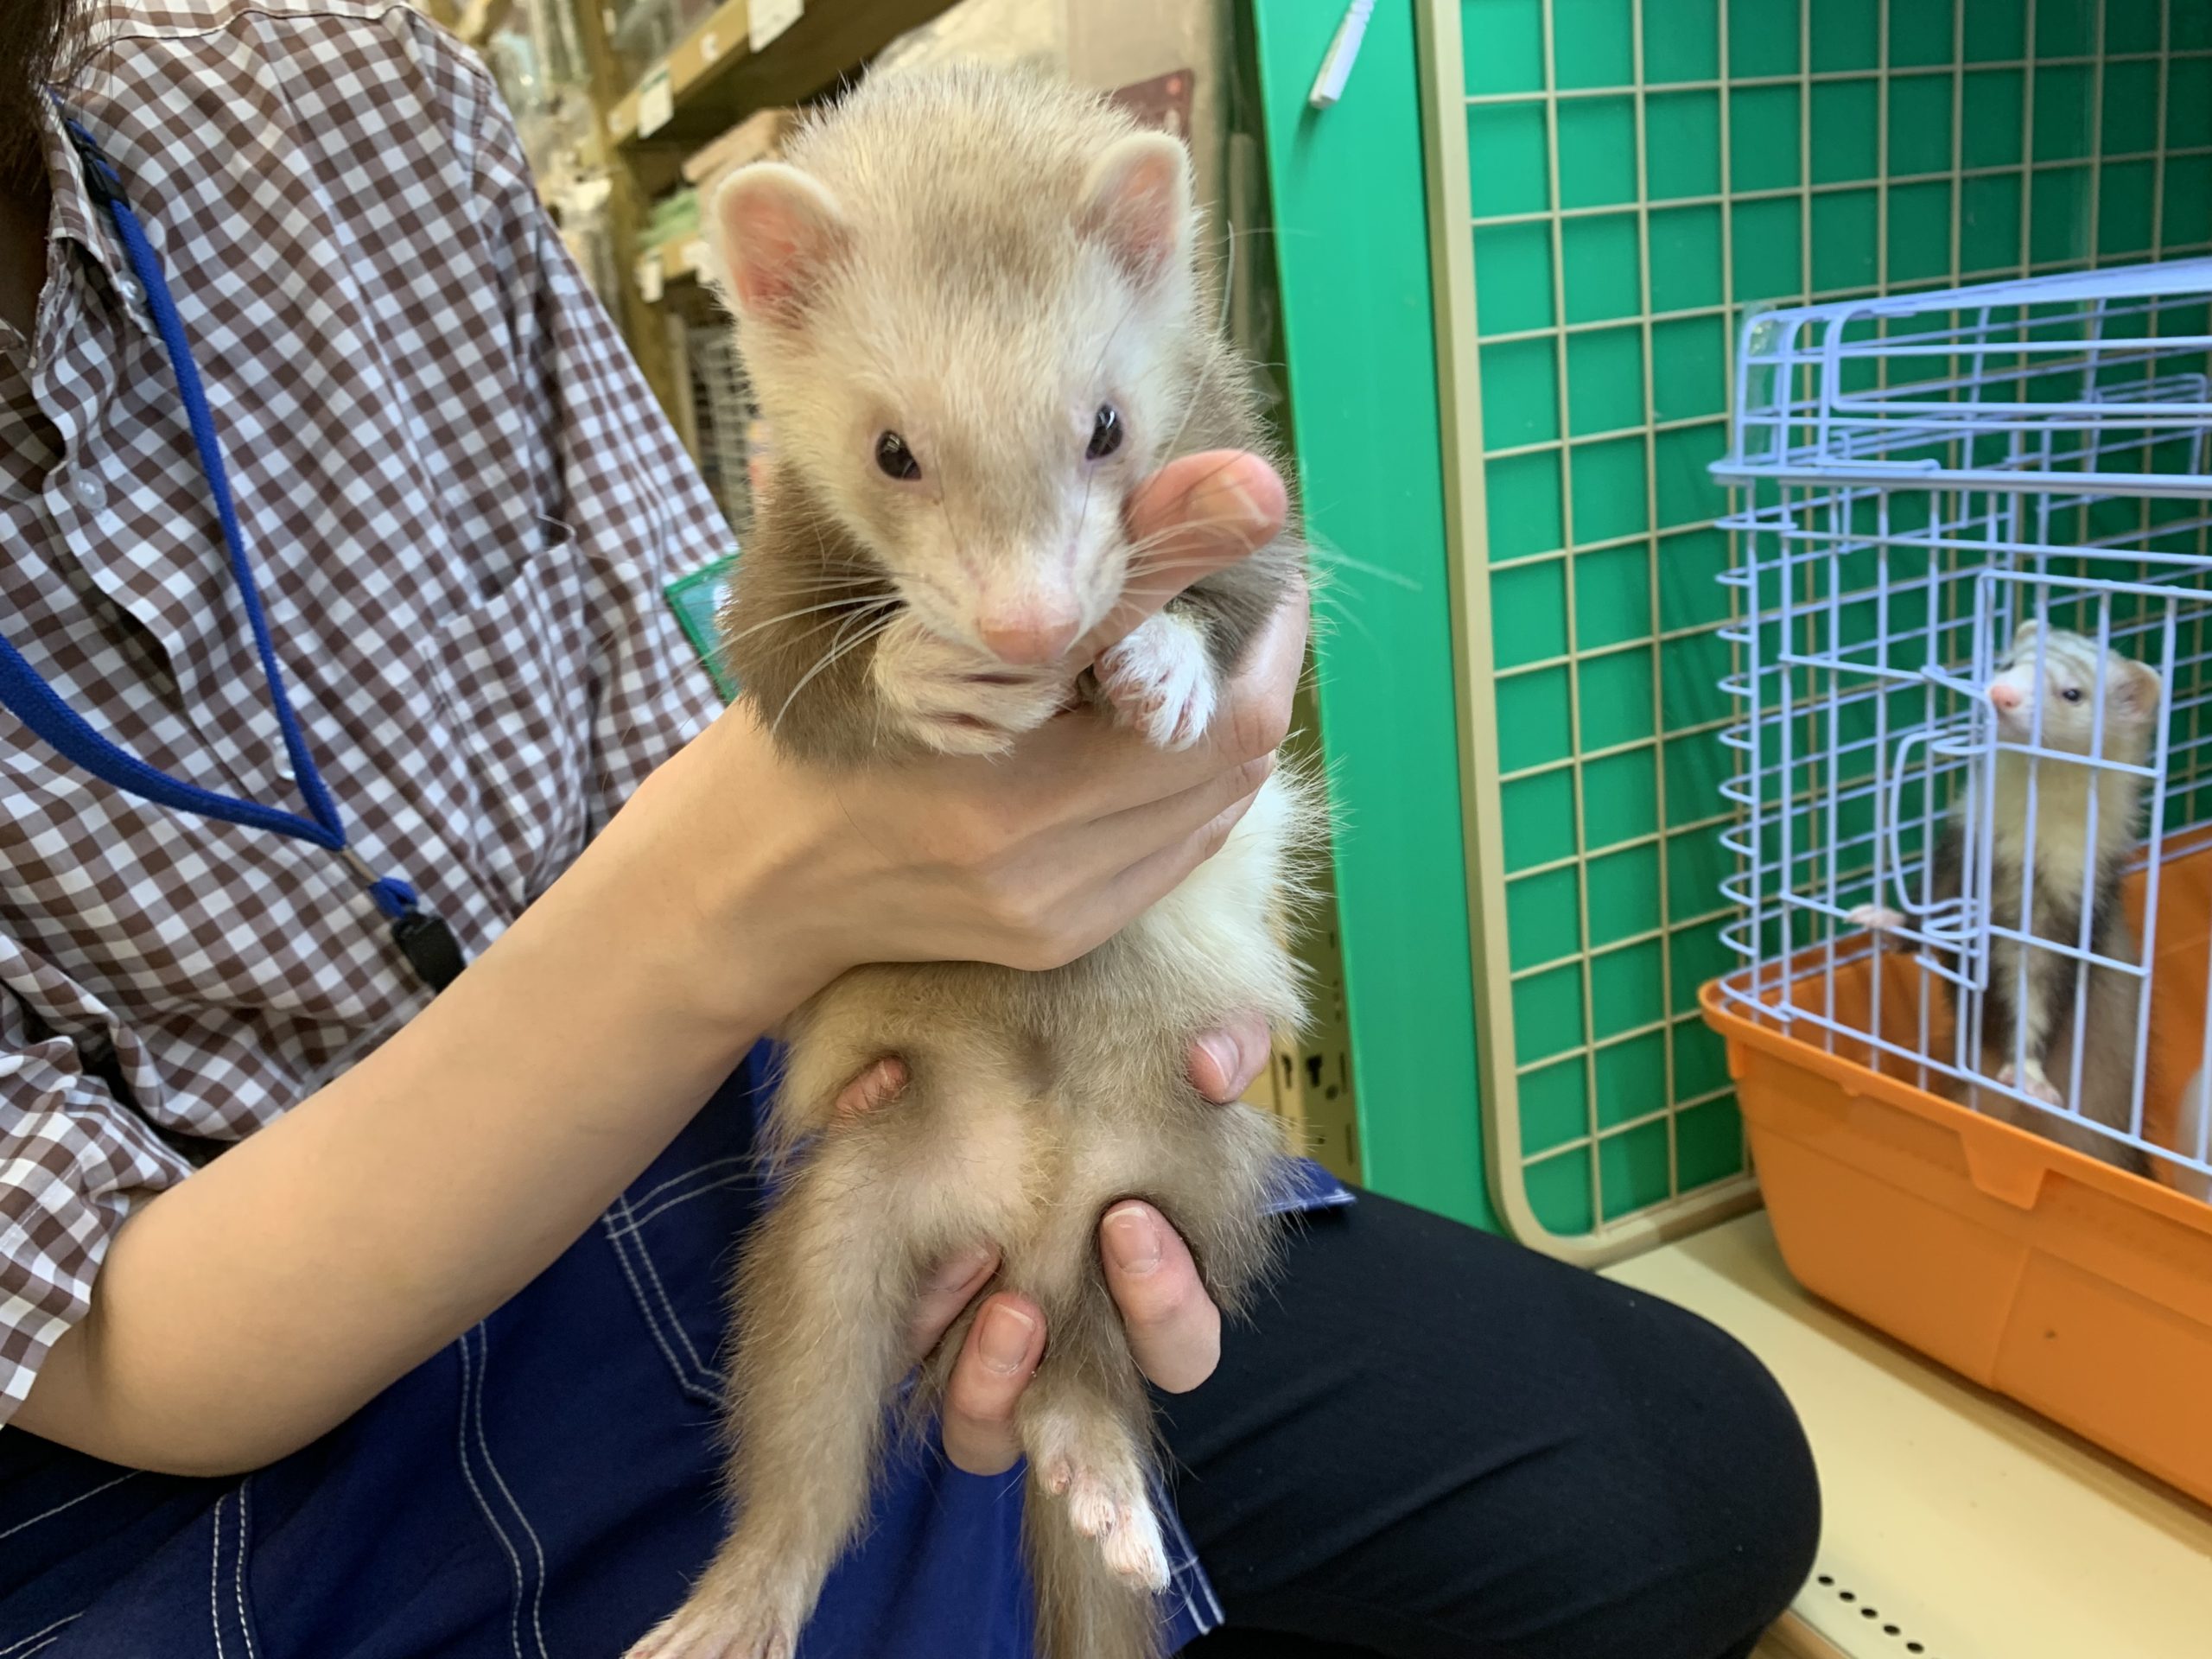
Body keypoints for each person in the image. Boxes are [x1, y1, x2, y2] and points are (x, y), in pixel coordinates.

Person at [0, 3, 1821, 1656]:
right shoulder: (836, 475)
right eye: (898, 462)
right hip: (259, 1371)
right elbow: (777, 666)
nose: (1024, 601)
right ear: (775, 315)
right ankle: (790, 1567)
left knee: (1665, 1472)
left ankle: (1087, 1420)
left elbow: (738, 655)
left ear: (1149, 266)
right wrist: (839, 735)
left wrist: (1188, 646)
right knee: (857, 1261)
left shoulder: (351, 97)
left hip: (880, 1065)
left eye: (1095, 440)